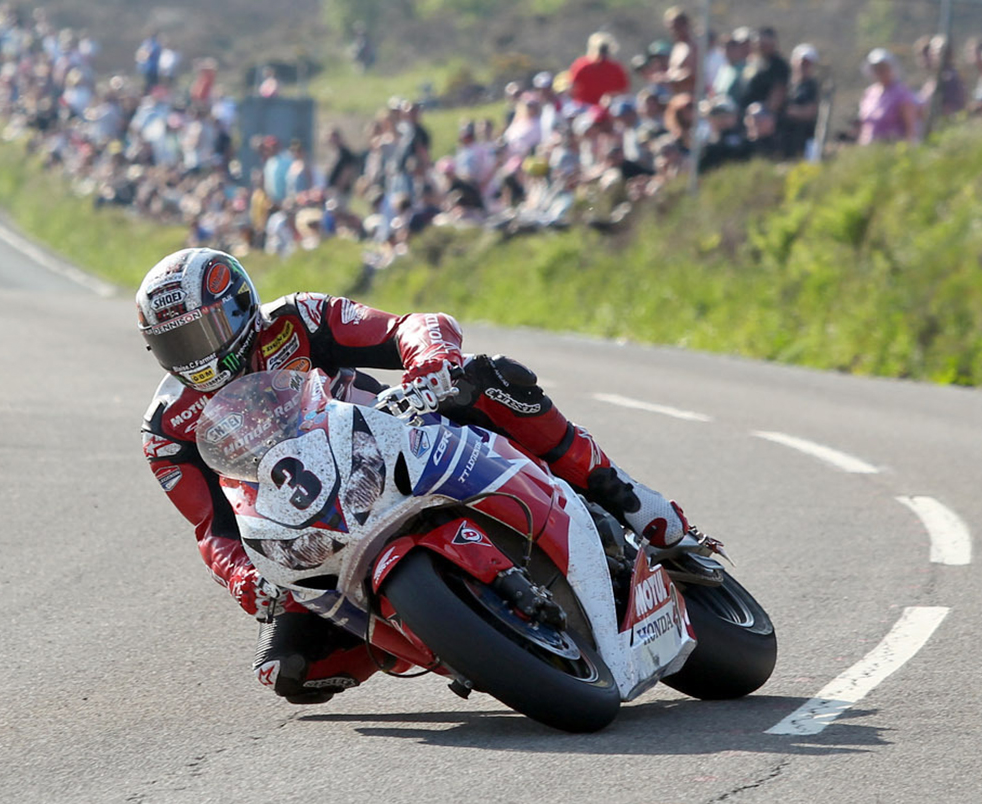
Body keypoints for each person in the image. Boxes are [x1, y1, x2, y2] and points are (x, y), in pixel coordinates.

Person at [135, 248, 696, 704]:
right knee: (291, 672)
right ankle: (438, 639)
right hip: (311, 526)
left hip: (392, 438)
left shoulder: (297, 317)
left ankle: (623, 495)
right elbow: (213, 529)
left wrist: (430, 364)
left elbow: (412, 326)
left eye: (202, 332)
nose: (197, 356)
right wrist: (243, 579)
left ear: (238, 308)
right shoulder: (166, 429)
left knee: (490, 379)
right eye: (175, 345)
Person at [858, 49, 920, 145]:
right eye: (876, 69)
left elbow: (911, 128)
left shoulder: (902, 93)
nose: (880, 72)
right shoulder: (869, 93)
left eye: (883, 68)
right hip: (869, 151)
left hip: (892, 149)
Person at [565, 31, 630, 108]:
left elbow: (623, 91)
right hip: (585, 107)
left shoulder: (615, 67)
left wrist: (610, 97)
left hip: (609, 107)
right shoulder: (582, 65)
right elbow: (571, 88)